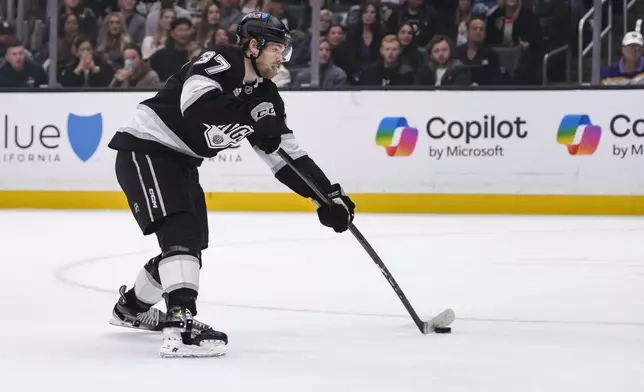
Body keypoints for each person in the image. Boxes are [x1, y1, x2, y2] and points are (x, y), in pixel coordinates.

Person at [106, 12, 356, 358]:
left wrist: (326, 196)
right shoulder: (224, 60)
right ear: (253, 46)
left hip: (180, 161)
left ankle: (131, 309)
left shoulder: (266, 95)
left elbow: (287, 156)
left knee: (189, 243)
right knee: (180, 230)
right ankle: (180, 326)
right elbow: (194, 103)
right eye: (275, 48)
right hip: (146, 147)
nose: (282, 57)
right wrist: (249, 115)